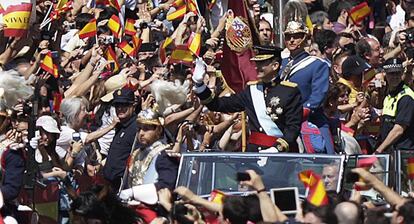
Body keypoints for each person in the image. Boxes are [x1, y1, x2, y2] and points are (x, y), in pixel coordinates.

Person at [194, 46, 302, 152]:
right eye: (256, 63)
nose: (256, 67)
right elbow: (217, 104)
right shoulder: (251, 90)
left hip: (281, 154)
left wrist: (277, 148)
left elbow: (293, 128)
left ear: (275, 66)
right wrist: (200, 85)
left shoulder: (290, 91)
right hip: (254, 153)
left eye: (261, 64)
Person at [279, 21, 332, 154]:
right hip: (282, 119)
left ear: (306, 39)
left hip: (309, 118)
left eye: (297, 36)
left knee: (326, 158)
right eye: (288, 36)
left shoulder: (317, 64)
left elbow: (318, 94)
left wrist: (303, 111)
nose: (291, 40)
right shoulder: (280, 63)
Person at [118, 108, 179, 223]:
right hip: (133, 209)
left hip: (154, 211)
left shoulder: (164, 155)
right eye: (139, 129)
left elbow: (166, 185)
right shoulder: (137, 153)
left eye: (146, 129)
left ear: (159, 130)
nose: (141, 133)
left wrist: (133, 192)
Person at [103, 87, 138, 190]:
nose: (120, 109)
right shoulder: (120, 125)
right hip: (110, 183)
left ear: (133, 106)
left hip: (123, 184)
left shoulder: (137, 127)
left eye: (125, 105)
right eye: (117, 105)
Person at [376, 58, 414, 153]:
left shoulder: (406, 96)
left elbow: (398, 129)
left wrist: (378, 150)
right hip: (390, 151)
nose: (395, 77)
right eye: (391, 73)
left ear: (402, 73)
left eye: (397, 73)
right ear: (385, 74)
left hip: (404, 154)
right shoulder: (389, 94)